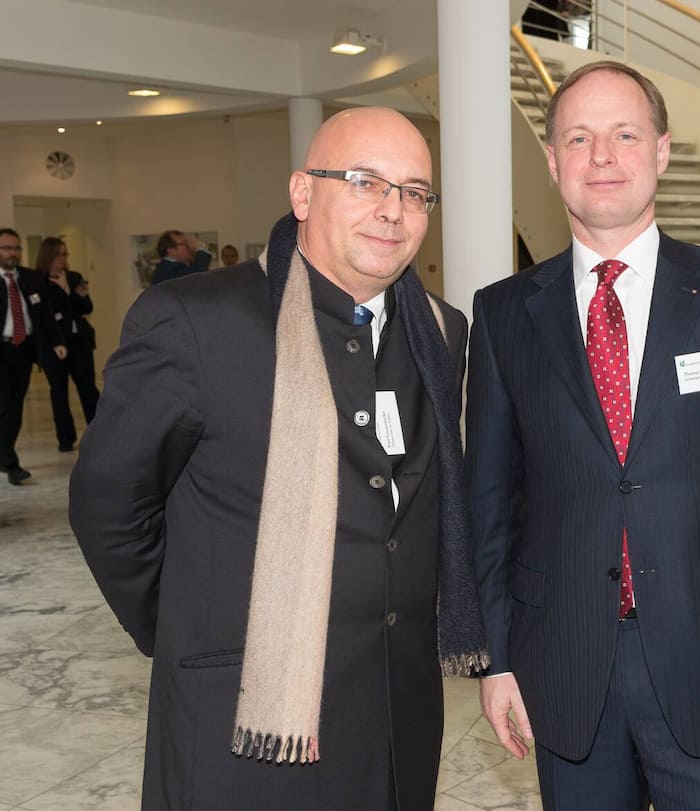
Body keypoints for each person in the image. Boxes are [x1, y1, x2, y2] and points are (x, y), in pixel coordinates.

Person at [69, 107, 487, 810]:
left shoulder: (441, 332)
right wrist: (184, 625)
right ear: (302, 193)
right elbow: (109, 503)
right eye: (364, 181)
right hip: (244, 713)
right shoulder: (196, 322)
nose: (393, 210)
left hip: (395, 712)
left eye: (415, 191)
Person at [467, 61, 700, 810]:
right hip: (564, 667)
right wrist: (495, 659)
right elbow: (489, 503)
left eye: (624, 134)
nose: (601, 156)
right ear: (552, 162)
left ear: (660, 152)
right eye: (579, 137)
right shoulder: (503, 313)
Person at [1, 228, 65, 484]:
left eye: (16, 248)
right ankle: (9, 462)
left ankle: (7, 459)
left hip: (24, 350)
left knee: (15, 408)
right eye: (6, 248)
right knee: (4, 404)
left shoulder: (30, 278)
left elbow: (45, 315)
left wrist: (57, 341)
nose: (13, 253)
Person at [34, 237, 99, 452]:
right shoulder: (38, 282)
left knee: (88, 389)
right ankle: (65, 438)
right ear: (48, 256)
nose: (63, 259)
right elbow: (43, 314)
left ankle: (99, 432)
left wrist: (78, 295)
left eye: (65, 254)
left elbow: (85, 308)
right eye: (59, 254)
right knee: (59, 392)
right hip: (54, 345)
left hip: (79, 341)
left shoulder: (74, 277)